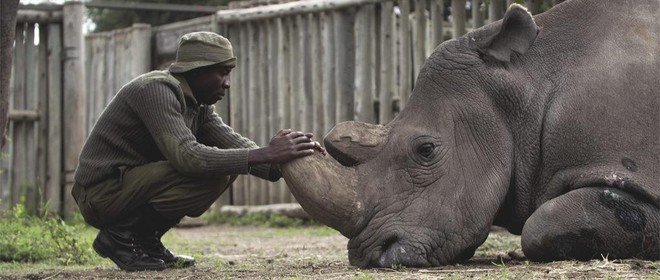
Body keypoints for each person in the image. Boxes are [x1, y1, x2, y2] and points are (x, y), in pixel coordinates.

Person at [71, 31, 326, 272]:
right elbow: (187, 157)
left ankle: (147, 241)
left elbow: (235, 144)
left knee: (226, 168)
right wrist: (266, 154)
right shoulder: (156, 90)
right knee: (211, 171)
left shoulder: (199, 105)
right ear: (196, 70)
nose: (227, 84)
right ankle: (119, 237)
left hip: (129, 187)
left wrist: (288, 157)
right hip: (101, 193)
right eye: (222, 73)